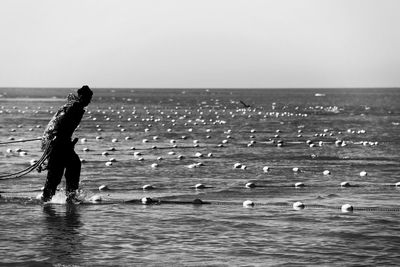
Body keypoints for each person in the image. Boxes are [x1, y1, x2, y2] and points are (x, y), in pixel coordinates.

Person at [40, 85, 93, 202]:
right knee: (56, 174)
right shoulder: (74, 107)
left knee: (73, 165)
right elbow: (60, 123)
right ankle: (49, 200)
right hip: (57, 144)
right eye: (88, 98)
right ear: (82, 96)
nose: (89, 101)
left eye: (90, 98)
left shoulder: (74, 106)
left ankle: (69, 196)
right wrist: (57, 140)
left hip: (62, 143)